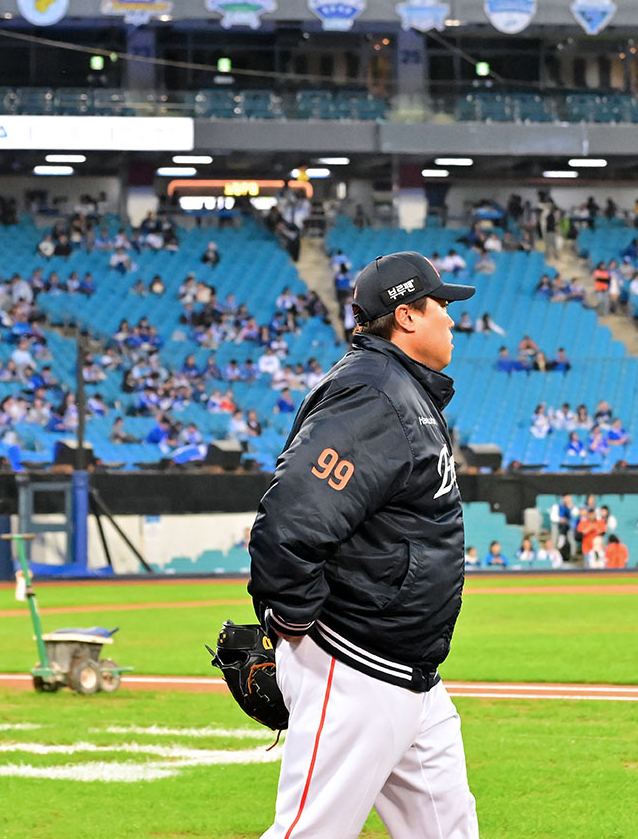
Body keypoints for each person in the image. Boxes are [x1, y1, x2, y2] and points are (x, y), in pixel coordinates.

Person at [248, 251, 480, 839]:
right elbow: (290, 517)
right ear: (407, 315)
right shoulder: (374, 394)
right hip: (357, 663)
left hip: (410, 670)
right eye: (441, 305)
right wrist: (296, 626)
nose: (451, 318)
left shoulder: (403, 390)